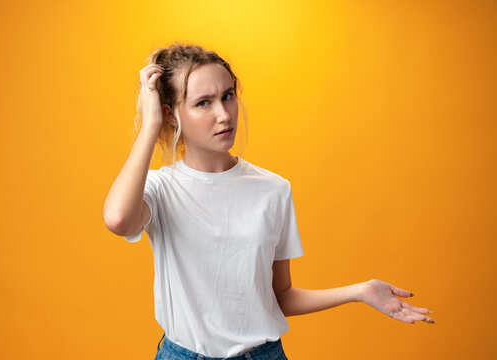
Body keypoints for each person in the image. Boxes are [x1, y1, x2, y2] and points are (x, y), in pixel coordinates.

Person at [103, 42, 436, 360]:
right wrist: (150, 125)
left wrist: (360, 291)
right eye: (203, 103)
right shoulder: (161, 189)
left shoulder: (273, 189)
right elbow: (118, 220)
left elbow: (280, 296)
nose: (223, 114)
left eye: (228, 96)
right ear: (171, 115)